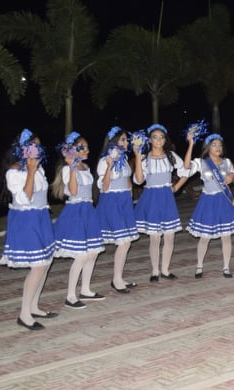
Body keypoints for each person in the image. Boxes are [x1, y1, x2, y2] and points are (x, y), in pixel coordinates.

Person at [0, 129, 58, 330]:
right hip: (26, 220)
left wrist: (34, 170)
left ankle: (34, 307)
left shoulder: (39, 169)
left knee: (46, 262)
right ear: (22, 149)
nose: (38, 150)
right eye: (34, 146)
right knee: (38, 266)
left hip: (40, 217)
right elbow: (25, 198)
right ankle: (24, 315)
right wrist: (31, 172)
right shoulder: (14, 172)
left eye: (39, 146)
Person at [51, 131, 105, 309]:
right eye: (82, 147)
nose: (87, 150)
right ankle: (70, 296)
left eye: (87, 147)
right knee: (81, 255)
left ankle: (86, 290)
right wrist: (72, 166)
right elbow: (73, 191)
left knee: (93, 252)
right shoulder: (68, 169)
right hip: (75, 211)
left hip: (88, 211)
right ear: (72, 150)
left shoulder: (86, 167)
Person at [135, 124, 188, 282]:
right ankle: (155, 271)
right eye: (155, 137)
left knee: (170, 236)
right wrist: (137, 155)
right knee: (155, 237)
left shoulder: (170, 155)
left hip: (166, 198)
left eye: (161, 137)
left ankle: (165, 269)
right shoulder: (144, 158)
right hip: (151, 198)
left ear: (165, 140)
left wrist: (176, 187)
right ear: (149, 140)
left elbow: (185, 171)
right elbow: (139, 180)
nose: (158, 140)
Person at [182, 132, 234, 278]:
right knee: (205, 236)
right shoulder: (202, 163)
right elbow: (186, 167)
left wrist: (232, 177)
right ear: (208, 147)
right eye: (214, 145)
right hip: (208, 202)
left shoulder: (227, 162)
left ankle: (226, 268)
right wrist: (191, 144)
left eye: (220, 145)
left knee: (226, 236)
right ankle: (199, 266)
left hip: (224, 201)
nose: (218, 147)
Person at [96, 126, 142, 294]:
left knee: (127, 241)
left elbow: (129, 180)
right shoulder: (105, 161)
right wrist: (109, 166)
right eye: (123, 140)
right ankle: (116, 280)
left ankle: (119, 277)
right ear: (113, 141)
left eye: (126, 140)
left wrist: (129, 196)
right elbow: (104, 187)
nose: (126, 143)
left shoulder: (124, 159)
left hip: (124, 202)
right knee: (123, 242)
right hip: (111, 202)